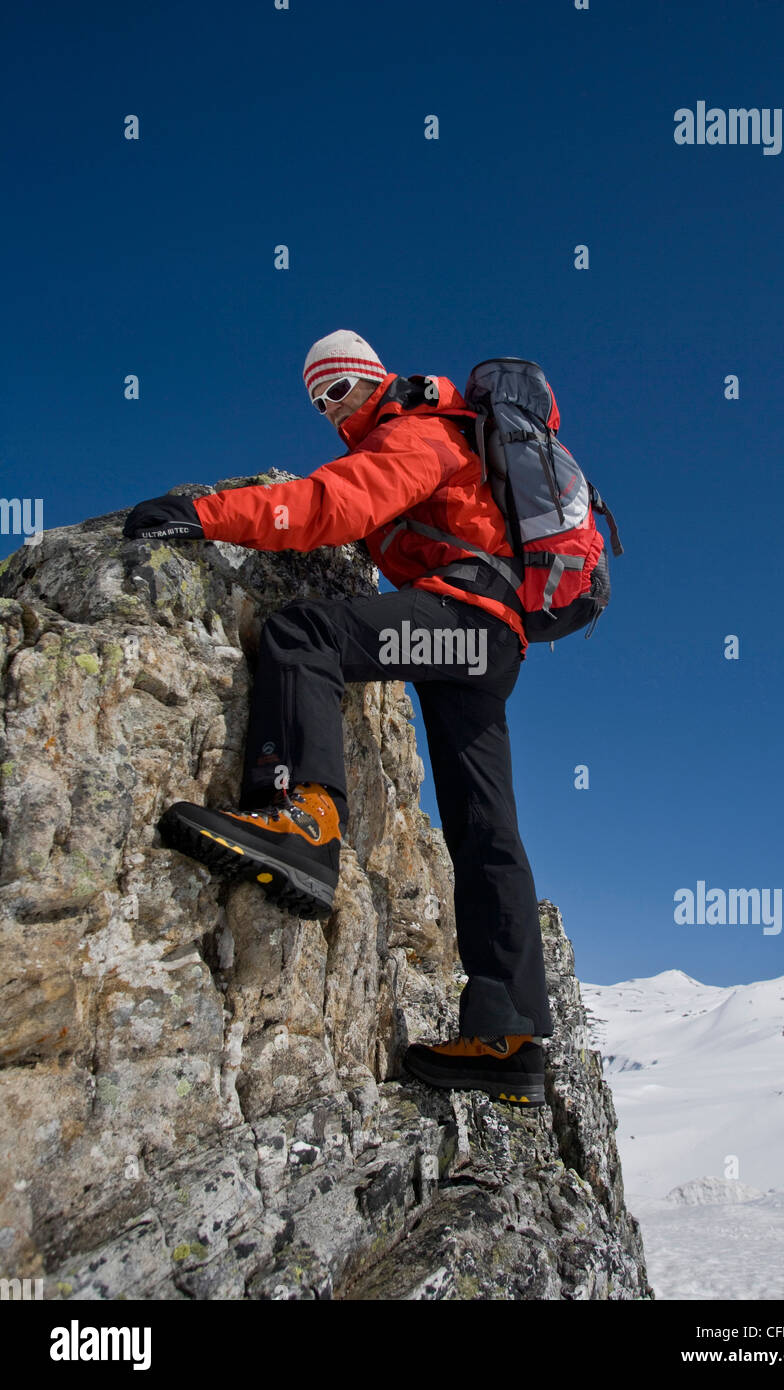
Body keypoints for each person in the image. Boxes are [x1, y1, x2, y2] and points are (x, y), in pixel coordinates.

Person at [123, 330, 553, 1106]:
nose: (330, 409)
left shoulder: (416, 431)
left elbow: (336, 504)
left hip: (461, 621)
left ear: (370, 379)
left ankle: (306, 818)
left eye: (339, 389)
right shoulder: (436, 432)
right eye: (318, 400)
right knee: (482, 822)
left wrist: (206, 513)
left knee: (304, 633)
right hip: (491, 640)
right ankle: (510, 1034)